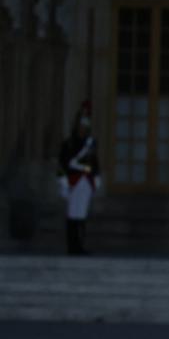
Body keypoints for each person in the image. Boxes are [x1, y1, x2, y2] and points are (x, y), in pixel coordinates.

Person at [56, 102, 99, 256]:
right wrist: (63, 182)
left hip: (85, 182)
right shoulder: (68, 144)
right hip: (73, 181)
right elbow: (62, 164)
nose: (83, 129)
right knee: (72, 215)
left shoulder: (90, 144)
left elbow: (94, 163)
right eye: (81, 126)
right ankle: (72, 247)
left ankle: (80, 246)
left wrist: (96, 178)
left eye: (85, 127)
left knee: (81, 216)